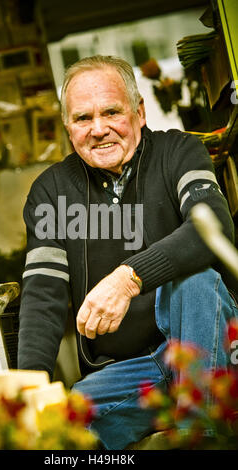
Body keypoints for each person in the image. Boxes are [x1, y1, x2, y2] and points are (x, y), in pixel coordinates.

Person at [18, 55, 237, 449]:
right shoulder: (49, 192)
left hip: (215, 350)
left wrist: (128, 278)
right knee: (59, 430)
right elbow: (42, 296)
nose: (98, 129)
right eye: (83, 118)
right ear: (68, 127)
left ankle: (203, 438)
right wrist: (29, 391)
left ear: (138, 112)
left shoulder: (179, 151)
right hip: (134, 372)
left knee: (193, 281)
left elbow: (213, 228)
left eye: (111, 112)